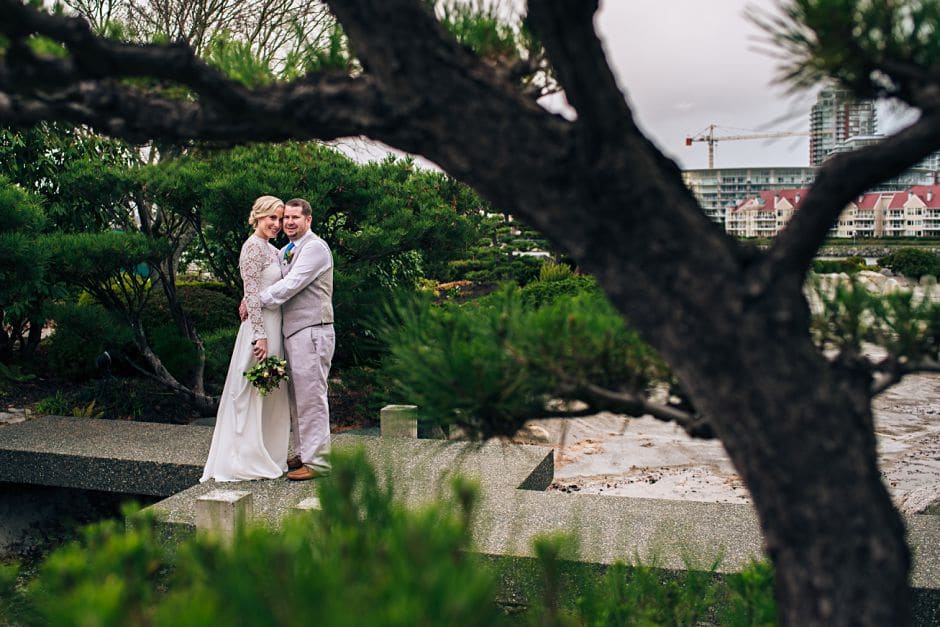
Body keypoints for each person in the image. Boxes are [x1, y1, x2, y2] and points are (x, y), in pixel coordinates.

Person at [201, 196, 291, 482]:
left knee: (269, 392)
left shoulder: (271, 249)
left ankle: (268, 451)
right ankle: (243, 458)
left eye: (279, 219)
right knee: (251, 391)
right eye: (271, 218)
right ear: (258, 217)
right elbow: (252, 292)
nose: (276, 224)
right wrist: (260, 337)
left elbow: (256, 287)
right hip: (259, 329)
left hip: (274, 326)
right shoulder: (252, 247)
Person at [258, 198, 334, 481]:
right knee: (298, 397)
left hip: (313, 330)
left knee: (312, 396)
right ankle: (304, 453)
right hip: (296, 331)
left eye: (295, 218)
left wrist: (256, 300)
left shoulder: (315, 248)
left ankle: (319, 461)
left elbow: (291, 285)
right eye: (285, 217)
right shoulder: (289, 249)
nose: (288, 222)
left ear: (308, 220)